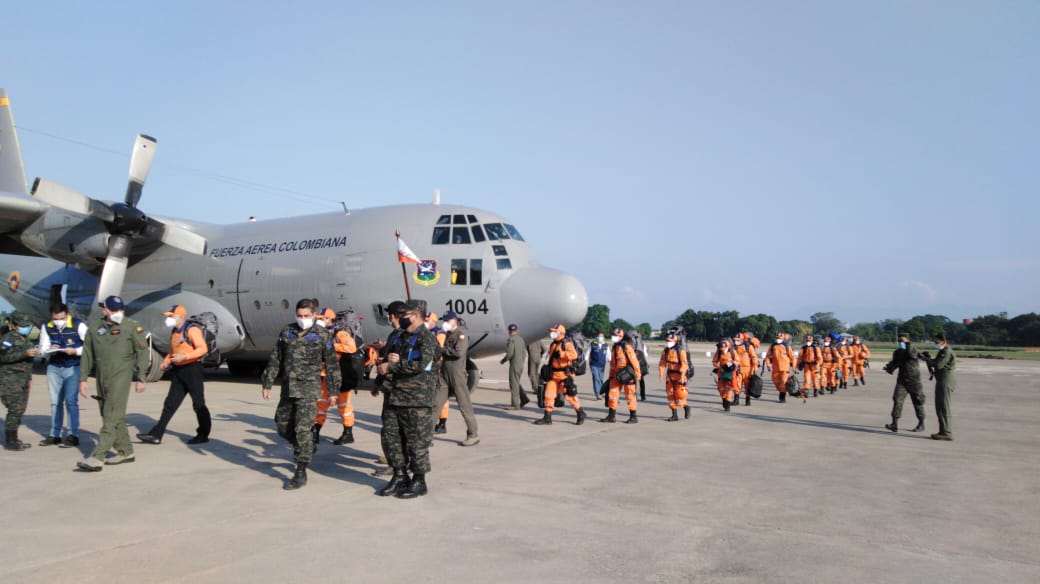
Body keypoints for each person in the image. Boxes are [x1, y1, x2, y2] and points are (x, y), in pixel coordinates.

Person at [260, 298, 341, 489]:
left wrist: (333, 391)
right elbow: (276, 358)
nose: (302, 318)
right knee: (282, 425)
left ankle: (300, 470)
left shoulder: (322, 335)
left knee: (302, 429)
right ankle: (307, 444)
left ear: (313, 315)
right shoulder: (287, 332)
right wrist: (267, 382)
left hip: (308, 389)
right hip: (288, 388)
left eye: (306, 315)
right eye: (299, 315)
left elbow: (332, 365)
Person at [76, 296, 150, 471]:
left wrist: (141, 377)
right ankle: (126, 451)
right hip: (102, 376)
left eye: (121, 309)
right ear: (105, 310)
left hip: (121, 375)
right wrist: (83, 379)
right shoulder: (95, 327)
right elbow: (87, 354)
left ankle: (97, 457)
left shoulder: (131, 326)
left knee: (111, 415)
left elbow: (142, 352)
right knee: (110, 414)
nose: (119, 312)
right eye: (114, 310)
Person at [375, 299, 439, 499]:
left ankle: (419, 481)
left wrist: (393, 366)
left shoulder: (426, 339)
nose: (400, 318)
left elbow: (423, 365)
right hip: (394, 395)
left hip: (415, 399)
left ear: (415, 315)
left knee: (416, 441)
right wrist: (385, 365)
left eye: (404, 314)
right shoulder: (399, 336)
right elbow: (389, 356)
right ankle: (400, 475)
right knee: (391, 438)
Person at [137, 304, 212, 445]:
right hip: (179, 370)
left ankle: (203, 434)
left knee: (198, 404)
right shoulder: (175, 331)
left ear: (181, 317)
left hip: (192, 370)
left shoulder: (192, 330)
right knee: (170, 404)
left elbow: (203, 349)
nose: (169, 319)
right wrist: (166, 362)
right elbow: (173, 351)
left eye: (171, 316)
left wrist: (185, 357)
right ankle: (156, 434)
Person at [38, 303, 87, 447]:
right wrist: (49, 349)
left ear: (67, 315)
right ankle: (55, 434)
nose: (58, 321)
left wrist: (75, 351)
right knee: (55, 402)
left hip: (73, 366)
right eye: (55, 319)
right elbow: (42, 349)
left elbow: (90, 346)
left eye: (61, 318)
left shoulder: (78, 325)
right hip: (54, 367)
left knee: (71, 401)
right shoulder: (47, 326)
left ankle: (73, 435)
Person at [313, 308, 360, 446]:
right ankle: (315, 431)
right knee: (321, 403)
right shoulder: (321, 334)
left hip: (341, 375)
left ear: (330, 319)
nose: (318, 321)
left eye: (321, 318)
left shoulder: (340, 333)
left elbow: (351, 347)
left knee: (343, 405)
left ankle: (348, 432)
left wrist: (332, 346)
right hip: (325, 375)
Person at [432, 311, 479, 446]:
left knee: (464, 405)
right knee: (436, 404)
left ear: (454, 320)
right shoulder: (448, 335)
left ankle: (473, 434)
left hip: (457, 374)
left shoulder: (461, 334)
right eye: (444, 320)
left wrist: (442, 350)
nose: (445, 323)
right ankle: (427, 436)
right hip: (444, 373)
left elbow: (458, 353)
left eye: (447, 320)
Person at [533, 324, 586, 425]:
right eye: (552, 331)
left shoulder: (567, 344)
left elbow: (574, 355)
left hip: (564, 375)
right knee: (548, 395)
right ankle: (547, 417)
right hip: (553, 375)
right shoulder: (554, 344)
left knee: (570, 396)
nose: (552, 333)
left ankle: (580, 413)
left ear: (561, 333)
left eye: (554, 331)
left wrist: (562, 354)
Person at [1, 313, 39, 451]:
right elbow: (3, 357)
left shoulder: (25, 339)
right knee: (14, 409)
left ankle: (15, 437)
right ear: (15, 326)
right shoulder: (8, 339)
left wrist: (29, 378)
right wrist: (24, 354)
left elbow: (27, 363)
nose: (26, 328)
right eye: (23, 326)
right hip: (10, 379)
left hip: (23, 379)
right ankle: (10, 440)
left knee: (21, 409)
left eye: (28, 326)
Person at [883, 332, 925, 433]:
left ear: (907, 340)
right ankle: (894, 423)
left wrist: (907, 344)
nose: (900, 342)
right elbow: (895, 362)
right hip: (902, 381)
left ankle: (921, 423)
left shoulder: (912, 349)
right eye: (899, 341)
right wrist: (889, 368)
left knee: (918, 402)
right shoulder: (898, 352)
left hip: (914, 381)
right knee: (897, 400)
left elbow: (912, 355)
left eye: (902, 340)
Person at [920, 332, 956, 441]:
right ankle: (942, 431)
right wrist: (927, 358)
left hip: (945, 381)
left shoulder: (946, 351)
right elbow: (936, 362)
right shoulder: (942, 351)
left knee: (944, 407)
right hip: (941, 380)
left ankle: (947, 432)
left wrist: (925, 359)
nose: (935, 343)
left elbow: (938, 365)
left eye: (937, 342)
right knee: (939, 407)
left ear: (943, 341)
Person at [602, 328, 641, 423]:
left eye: (615, 335)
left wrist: (638, 374)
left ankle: (633, 416)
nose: (613, 337)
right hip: (617, 375)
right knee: (612, 394)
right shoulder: (615, 347)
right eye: (613, 335)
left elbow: (634, 361)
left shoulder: (626, 346)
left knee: (630, 395)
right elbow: (613, 364)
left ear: (620, 336)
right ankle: (611, 416)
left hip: (628, 374)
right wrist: (611, 376)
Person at [658, 332, 689, 421]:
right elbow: (662, 363)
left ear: (675, 341)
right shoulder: (666, 351)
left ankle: (686, 407)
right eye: (667, 341)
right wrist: (661, 373)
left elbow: (684, 364)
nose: (668, 342)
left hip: (679, 376)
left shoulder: (681, 351)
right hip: (670, 376)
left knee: (680, 395)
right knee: (670, 394)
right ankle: (674, 415)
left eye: (670, 341)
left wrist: (682, 376)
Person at [500, 323, 530, 409]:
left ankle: (515, 405)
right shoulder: (521, 339)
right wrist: (521, 362)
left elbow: (510, 354)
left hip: (514, 364)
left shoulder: (511, 340)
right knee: (516, 382)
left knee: (513, 384)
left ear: (509, 331)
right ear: (516, 330)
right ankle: (524, 398)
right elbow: (524, 353)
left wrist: (503, 360)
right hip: (520, 364)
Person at [765, 332, 796, 403]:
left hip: (785, 368)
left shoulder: (787, 346)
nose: (778, 339)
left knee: (783, 382)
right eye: (777, 338)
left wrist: (794, 367)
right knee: (775, 381)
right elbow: (767, 357)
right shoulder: (772, 346)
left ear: (783, 338)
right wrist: (768, 365)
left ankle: (782, 397)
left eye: (779, 338)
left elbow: (793, 357)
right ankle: (782, 391)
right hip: (775, 368)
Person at [712, 338, 739, 411]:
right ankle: (724, 399)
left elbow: (737, 361)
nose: (723, 350)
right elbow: (714, 361)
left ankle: (727, 405)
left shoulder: (733, 352)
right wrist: (719, 367)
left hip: (731, 374)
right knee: (721, 389)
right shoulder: (719, 352)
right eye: (722, 349)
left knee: (729, 390)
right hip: (721, 374)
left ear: (727, 347)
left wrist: (731, 364)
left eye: (724, 349)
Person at [584, 332, 609, 400]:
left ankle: (601, 391)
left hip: (602, 364)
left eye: (601, 336)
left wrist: (610, 360)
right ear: (596, 337)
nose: (600, 338)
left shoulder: (605, 345)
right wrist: (585, 359)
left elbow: (608, 354)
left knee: (600, 379)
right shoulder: (592, 344)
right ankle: (597, 394)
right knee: (596, 378)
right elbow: (588, 352)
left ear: (604, 337)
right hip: (593, 364)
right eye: (599, 336)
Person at [527, 336, 550, 407]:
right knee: (536, 372)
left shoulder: (530, 340)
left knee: (531, 373)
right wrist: (541, 354)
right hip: (538, 357)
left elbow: (528, 349)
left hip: (532, 357)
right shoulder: (539, 340)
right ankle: (539, 386)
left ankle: (536, 388)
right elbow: (545, 349)